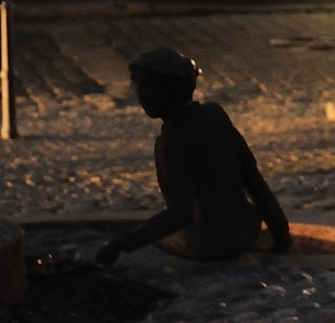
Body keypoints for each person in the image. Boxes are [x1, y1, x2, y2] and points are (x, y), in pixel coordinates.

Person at [96, 48, 291, 267]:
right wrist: (281, 234)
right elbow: (253, 178)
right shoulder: (215, 115)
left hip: (208, 244)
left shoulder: (171, 142)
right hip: (245, 231)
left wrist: (121, 243)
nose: (140, 95)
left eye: (145, 86)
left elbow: (180, 215)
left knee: (153, 240)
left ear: (168, 91)